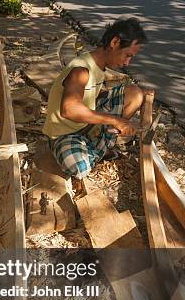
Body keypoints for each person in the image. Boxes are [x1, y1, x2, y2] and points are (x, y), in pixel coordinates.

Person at [42, 17, 149, 190]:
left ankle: (97, 146)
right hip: (64, 134)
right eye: (127, 55)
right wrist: (114, 120)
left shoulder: (99, 67)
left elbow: (92, 97)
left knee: (134, 93)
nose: (127, 62)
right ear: (115, 42)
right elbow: (69, 110)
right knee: (79, 167)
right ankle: (98, 148)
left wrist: (122, 115)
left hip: (85, 127)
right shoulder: (81, 69)